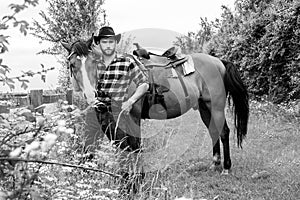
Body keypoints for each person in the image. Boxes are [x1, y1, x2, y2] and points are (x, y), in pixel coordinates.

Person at [83, 26, 149, 154]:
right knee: (88, 150)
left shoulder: (126, 62)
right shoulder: (94, 64)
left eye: (111, 42)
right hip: (95, 112)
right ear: (98, 43)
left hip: (116, 112)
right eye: (104, 42)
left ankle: (132, 173)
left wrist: (130, 101)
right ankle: (88, 172)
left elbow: (144, 84)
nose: (108, 45)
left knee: (123, 151)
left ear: (115, 43)